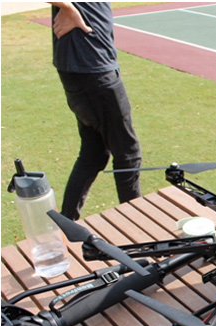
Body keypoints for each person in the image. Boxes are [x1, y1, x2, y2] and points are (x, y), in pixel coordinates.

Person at [51, 2, 142, 220]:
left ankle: (66, 223)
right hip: (92, 66)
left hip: (85, 65)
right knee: (128, 154)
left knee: (93, 153)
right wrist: (68, 7)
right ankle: (136, 227)